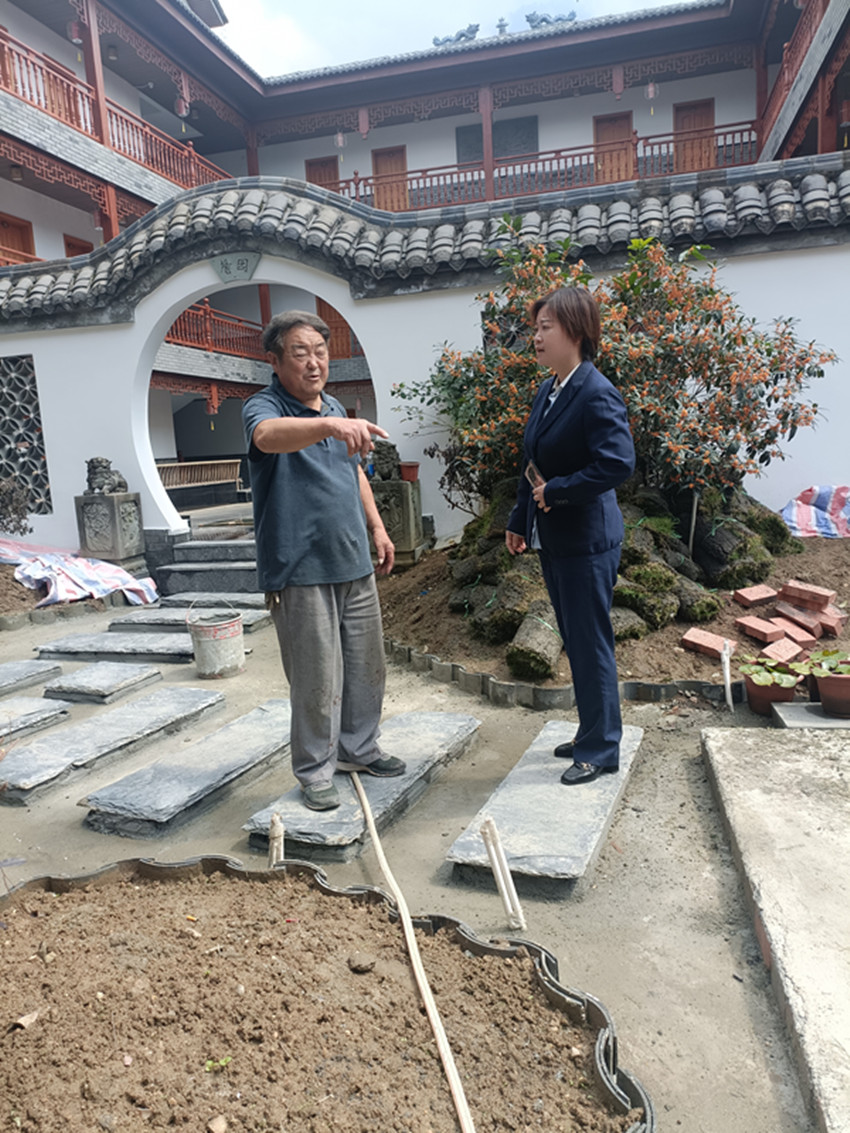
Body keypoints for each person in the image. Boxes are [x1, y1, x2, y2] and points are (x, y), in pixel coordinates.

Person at [242, 310, 405, 811]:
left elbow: (354, 472)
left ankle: (360, 749)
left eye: (320, 352)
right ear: (275, 361)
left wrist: (377, 527)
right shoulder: (263, 406)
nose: (314, 363)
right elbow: (267, 437)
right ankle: (315, 769)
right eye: (300, 353)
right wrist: (329, 425)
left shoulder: (333, 406)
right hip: (300, 566)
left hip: (352, 558)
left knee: (366, 665)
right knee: (316, 675)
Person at [505, 287, 635, 785]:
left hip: (587, 540)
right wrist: (520, 519)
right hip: (555, 537)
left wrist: (558, 492)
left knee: (589, 642)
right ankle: (589, 733)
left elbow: (617, 463)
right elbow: (532, 460)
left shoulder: (596, 392)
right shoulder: (551, 388)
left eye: (546, 328)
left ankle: (601, 749)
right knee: (576, 639)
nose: (536, 337)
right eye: (536, 328)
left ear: (576, 332)